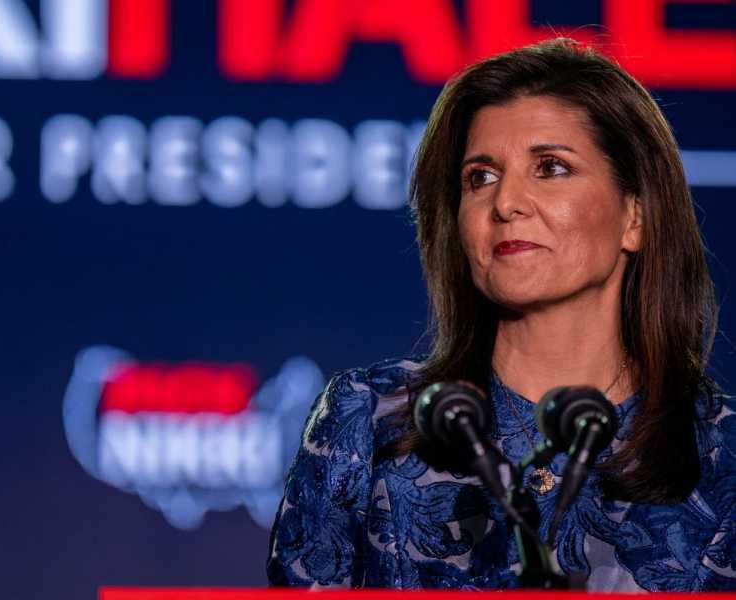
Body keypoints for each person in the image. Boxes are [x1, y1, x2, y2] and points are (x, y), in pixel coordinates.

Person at [266, 38, 736, 591]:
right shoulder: (369, 420)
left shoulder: (719, 448)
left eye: (551, 167)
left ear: (636, 216)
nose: (506, 202)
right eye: (480, 177)